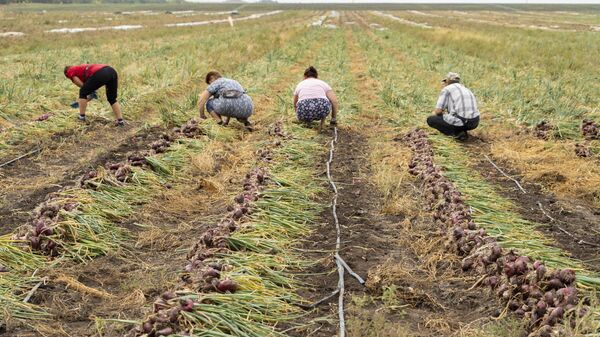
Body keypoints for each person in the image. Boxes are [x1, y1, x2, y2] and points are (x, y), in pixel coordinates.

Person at [427, 72, 480, 141]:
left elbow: (438, 111)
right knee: (453, 117)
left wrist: (437, 114)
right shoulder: (466, 89)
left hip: (463, 122)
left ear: (447, 81)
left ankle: (456, 134)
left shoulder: (447, 89)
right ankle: (461, 131)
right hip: (475, 122)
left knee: (431, 120)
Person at [293, 66, 338, 132]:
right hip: (321, 109)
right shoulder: (322, 83)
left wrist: (299, 116)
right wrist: (333, 119)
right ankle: (322, 124)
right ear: (316, 76)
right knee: (324, 102)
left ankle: (305, 122)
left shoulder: (300, 84)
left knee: (303, 105)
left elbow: (295, 104)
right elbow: (334, 101)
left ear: (304, 76)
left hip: (304, 110)